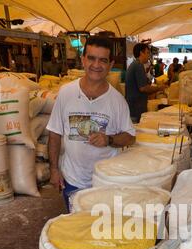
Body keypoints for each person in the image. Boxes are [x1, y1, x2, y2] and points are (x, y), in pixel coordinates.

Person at [47, 36, 135, 209]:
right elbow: (54, 133)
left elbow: (130, 137)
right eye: (92, 58)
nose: (96, 65)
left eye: (103, 60)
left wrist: (109, 140)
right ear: (83, 60)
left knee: (100, 230)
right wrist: (54, 170)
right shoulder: (66, 93)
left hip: (106, 182)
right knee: (77, 226)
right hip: (73, 180)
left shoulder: (117, 101)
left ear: (110, 65)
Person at [125, 43, 166, 123]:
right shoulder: (138, 65)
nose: (149, 55)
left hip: (134, 107)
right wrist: (159, 88)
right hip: (136, 108)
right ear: (141, 53)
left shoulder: (136, 64)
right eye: (147, 52)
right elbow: (143, 88)